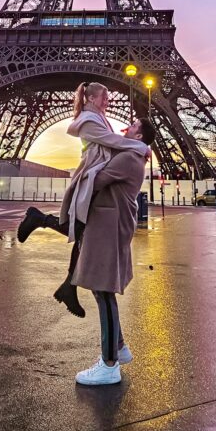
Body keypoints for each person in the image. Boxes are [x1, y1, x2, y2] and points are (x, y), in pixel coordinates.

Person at [17, 82, 149, 318]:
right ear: (90, 98)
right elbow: (114, 143)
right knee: (79, 228)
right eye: (104, 99)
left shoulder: (98, 117)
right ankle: (38, 219)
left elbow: (113, 143)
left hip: (97, 176)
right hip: (91, 176)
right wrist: (141, 147)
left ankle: (69, 284)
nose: (108, 103)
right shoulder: (89, 121)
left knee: (82, 231)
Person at [73, 116, 156, 386]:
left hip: (110, 225)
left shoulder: (128, 159)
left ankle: (109, 365)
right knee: (102, 288)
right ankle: (118, 347)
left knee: (103, 289)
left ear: (140, 135)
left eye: (132, 125)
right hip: (111, 223)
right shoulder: (134, 156)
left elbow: (94, 181)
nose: (126, 127)